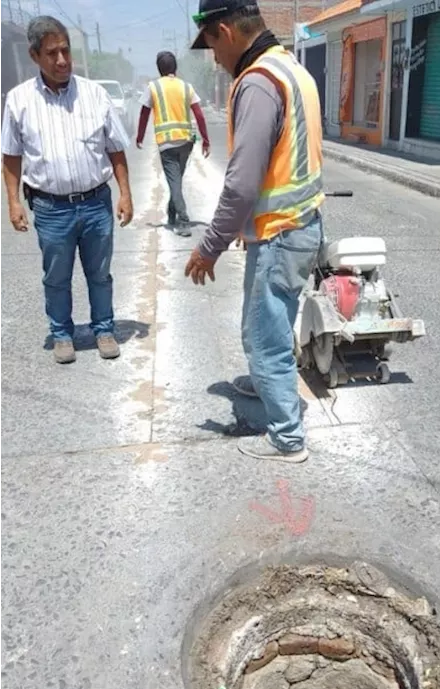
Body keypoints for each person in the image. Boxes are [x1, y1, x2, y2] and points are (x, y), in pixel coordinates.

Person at [185, 0, 325, 464]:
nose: (215, 60)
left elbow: (242, 184)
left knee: (263, 336)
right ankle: (267, 384)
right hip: (302, 224)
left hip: (281, 234)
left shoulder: (259, 83)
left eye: (210, 46)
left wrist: (209, 248)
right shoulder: (290, 68)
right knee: (272, 323)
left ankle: (287, 438)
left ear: (224, 32)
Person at [0, 16, 133, 365]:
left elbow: (115, 147)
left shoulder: (94, 94)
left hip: (95, 204)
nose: (61, 60)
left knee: (99, 273)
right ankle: (62, 334)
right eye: (51, 53)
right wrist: (13, 202)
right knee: (56, 277)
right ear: (34, 56)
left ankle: (104, 329)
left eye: (65, 51)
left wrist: (125, 192)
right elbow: (11, 157)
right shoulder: (18, 101)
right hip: (50, 208)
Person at [136, 50, 211, 237]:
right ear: (175, 67)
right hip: (186, 141)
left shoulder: (153, 87)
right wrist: (205, 139)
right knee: (176, 181)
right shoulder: (186, 87)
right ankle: (171, 213)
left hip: (167, 144)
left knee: (174, 182)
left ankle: (183, 221)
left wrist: (139, 136)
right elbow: (199, 114)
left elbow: (144, 113)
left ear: (158, 68)